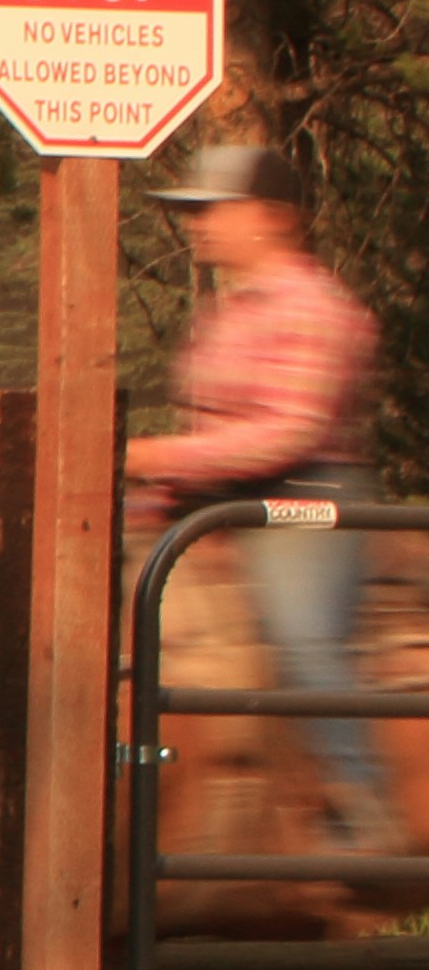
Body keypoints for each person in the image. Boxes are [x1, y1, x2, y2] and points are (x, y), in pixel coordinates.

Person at [133, 138, 397, 845]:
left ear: (275, 217)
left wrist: (155, 455)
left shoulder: (315, 307)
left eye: (215, 209)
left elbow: (290, 431)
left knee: (300, 637)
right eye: (195, 211)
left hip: (306, 497)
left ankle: (360, 807)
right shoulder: (231, 308)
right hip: (220, 498)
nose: (198, 224)